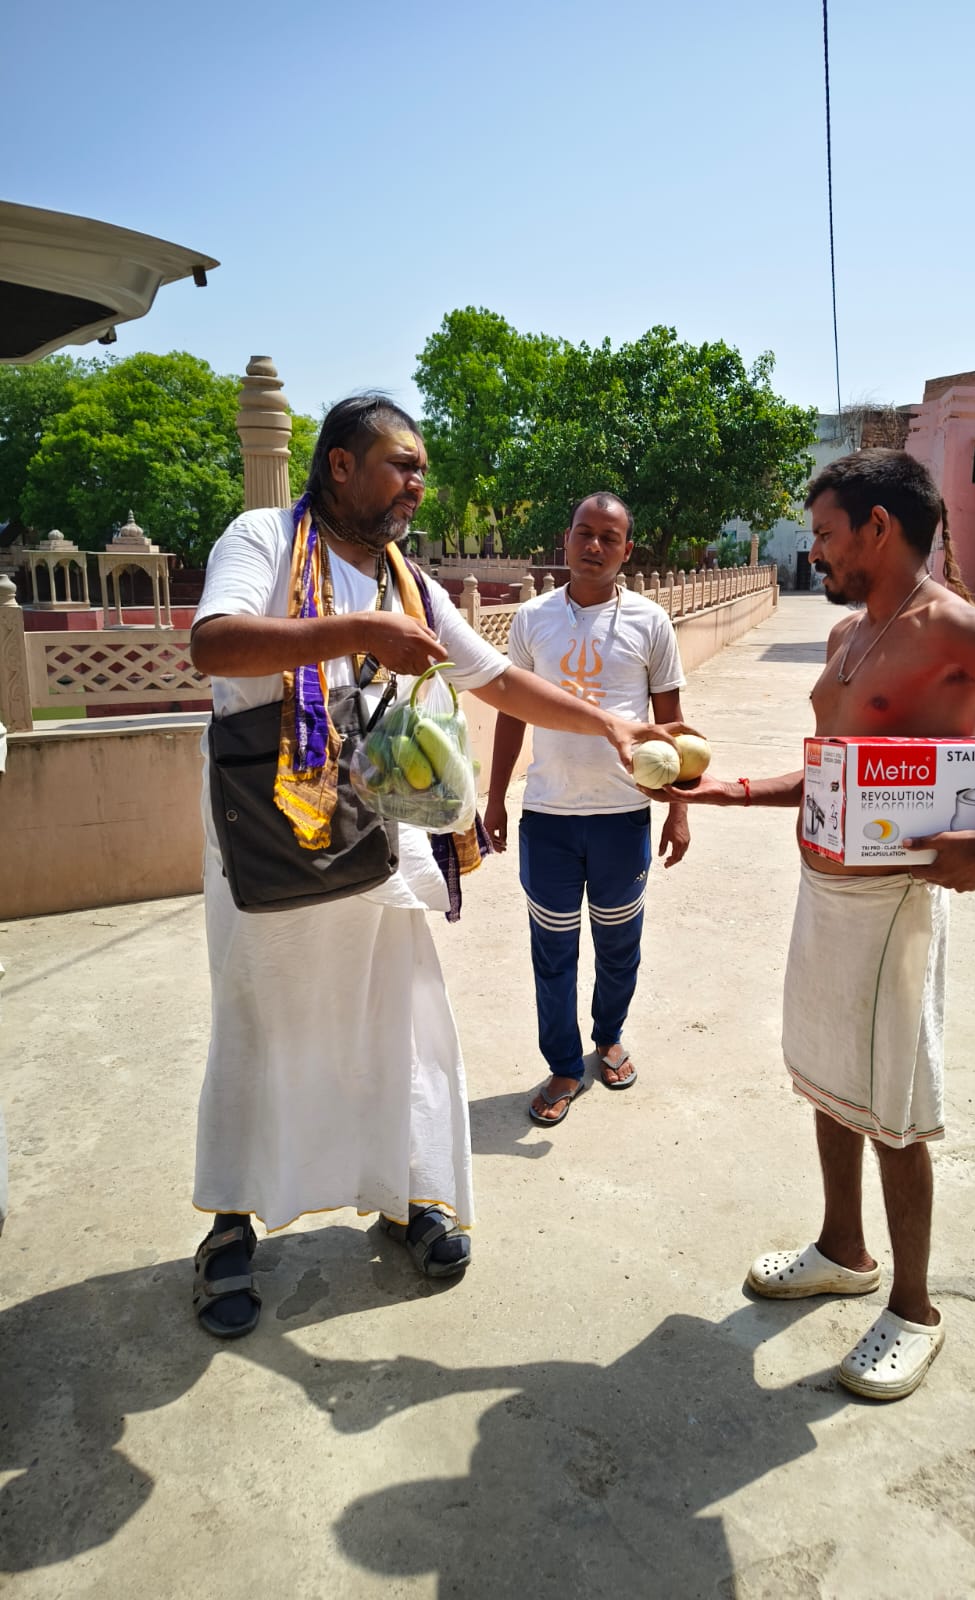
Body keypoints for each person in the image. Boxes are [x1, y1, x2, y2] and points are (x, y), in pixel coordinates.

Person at [644, 449, 975, 1400]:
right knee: (830, 1079)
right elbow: (835, 773)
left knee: (895, 1111)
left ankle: (915, 1310)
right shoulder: (847, 636)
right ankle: (843, 1249)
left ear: (878, 527)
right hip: (824, 891)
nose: (816, 552)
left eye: (826, 534)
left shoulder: (950, 626)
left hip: (895, 902)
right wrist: (729, 789)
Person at [189, 399, 672, 1338]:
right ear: (339, 465)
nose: (418, 483)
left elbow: (495, 678)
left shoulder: (404, 580)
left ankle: (410, 1197)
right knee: (262, 1027)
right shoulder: (263, 538)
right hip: (271, 838)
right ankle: (230, 1228)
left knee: (399, 1023)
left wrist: (609, 724)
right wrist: (356, 635)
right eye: (400, 464)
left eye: (420, 468)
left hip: (378, 840)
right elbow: (214, 642)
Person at [483, 493, 689, 1126]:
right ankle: (564, 1064)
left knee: (619, 943)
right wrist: (496, 798)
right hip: (548, 814)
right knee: (552, 951)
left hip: (622, 815)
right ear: (566, 539)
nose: (594, 546)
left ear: (627, 549)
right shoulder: (532, 618)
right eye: (583, 533)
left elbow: (672, 727)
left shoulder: (651, 622)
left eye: (609, 537)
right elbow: (511, 711)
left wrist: (679, 811)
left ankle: (609, 1036)